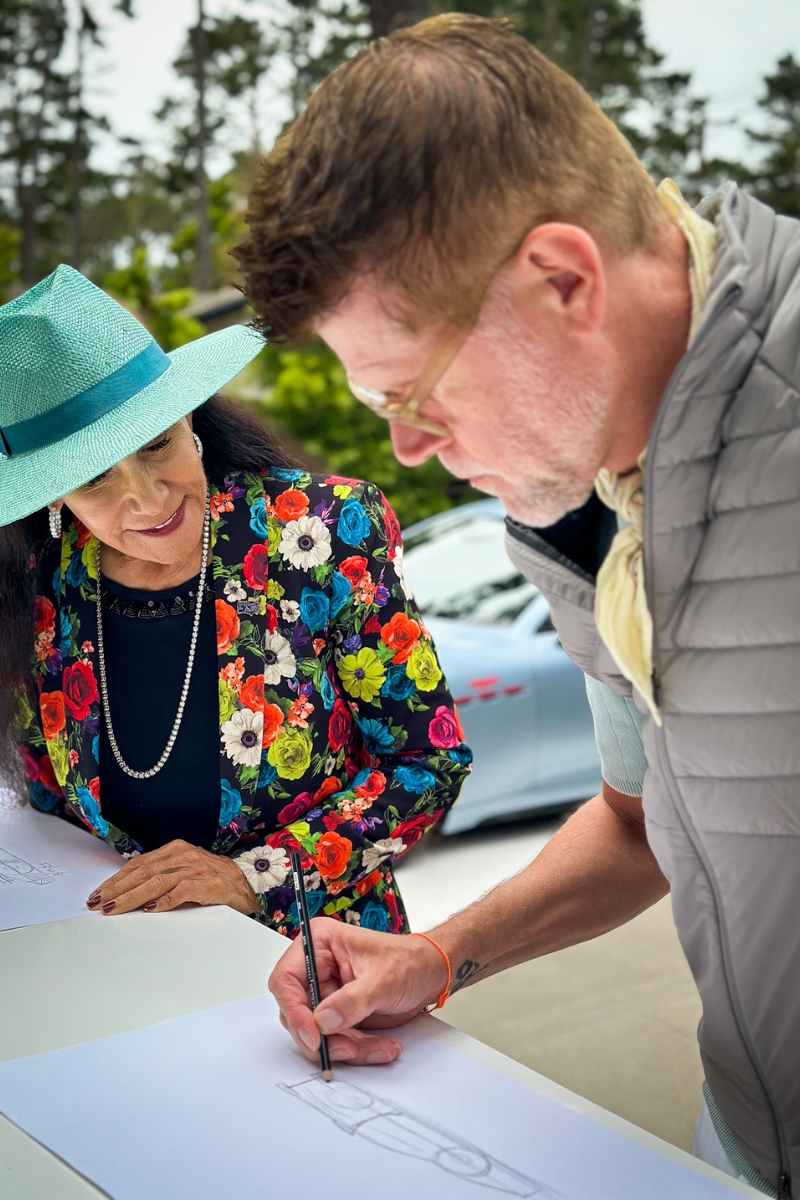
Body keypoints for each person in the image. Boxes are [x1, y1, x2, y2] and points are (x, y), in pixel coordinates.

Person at [237, 15, 800, 1198]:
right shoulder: (581, 486)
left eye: (415, 394)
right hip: (740, 1140)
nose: (407, 449)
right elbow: (645, 821)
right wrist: (437, 955)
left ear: (560, 279)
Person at [0, 265, 470, 936]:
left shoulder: (325, 528)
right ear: (53, 493)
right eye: (95, 478)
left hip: (324, 958)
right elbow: (47, 799)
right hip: (124, 962)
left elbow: (428, 764)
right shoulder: (39, 586)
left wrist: (253, 877)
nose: (149, 499)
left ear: (188, 415)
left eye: (158, 444)